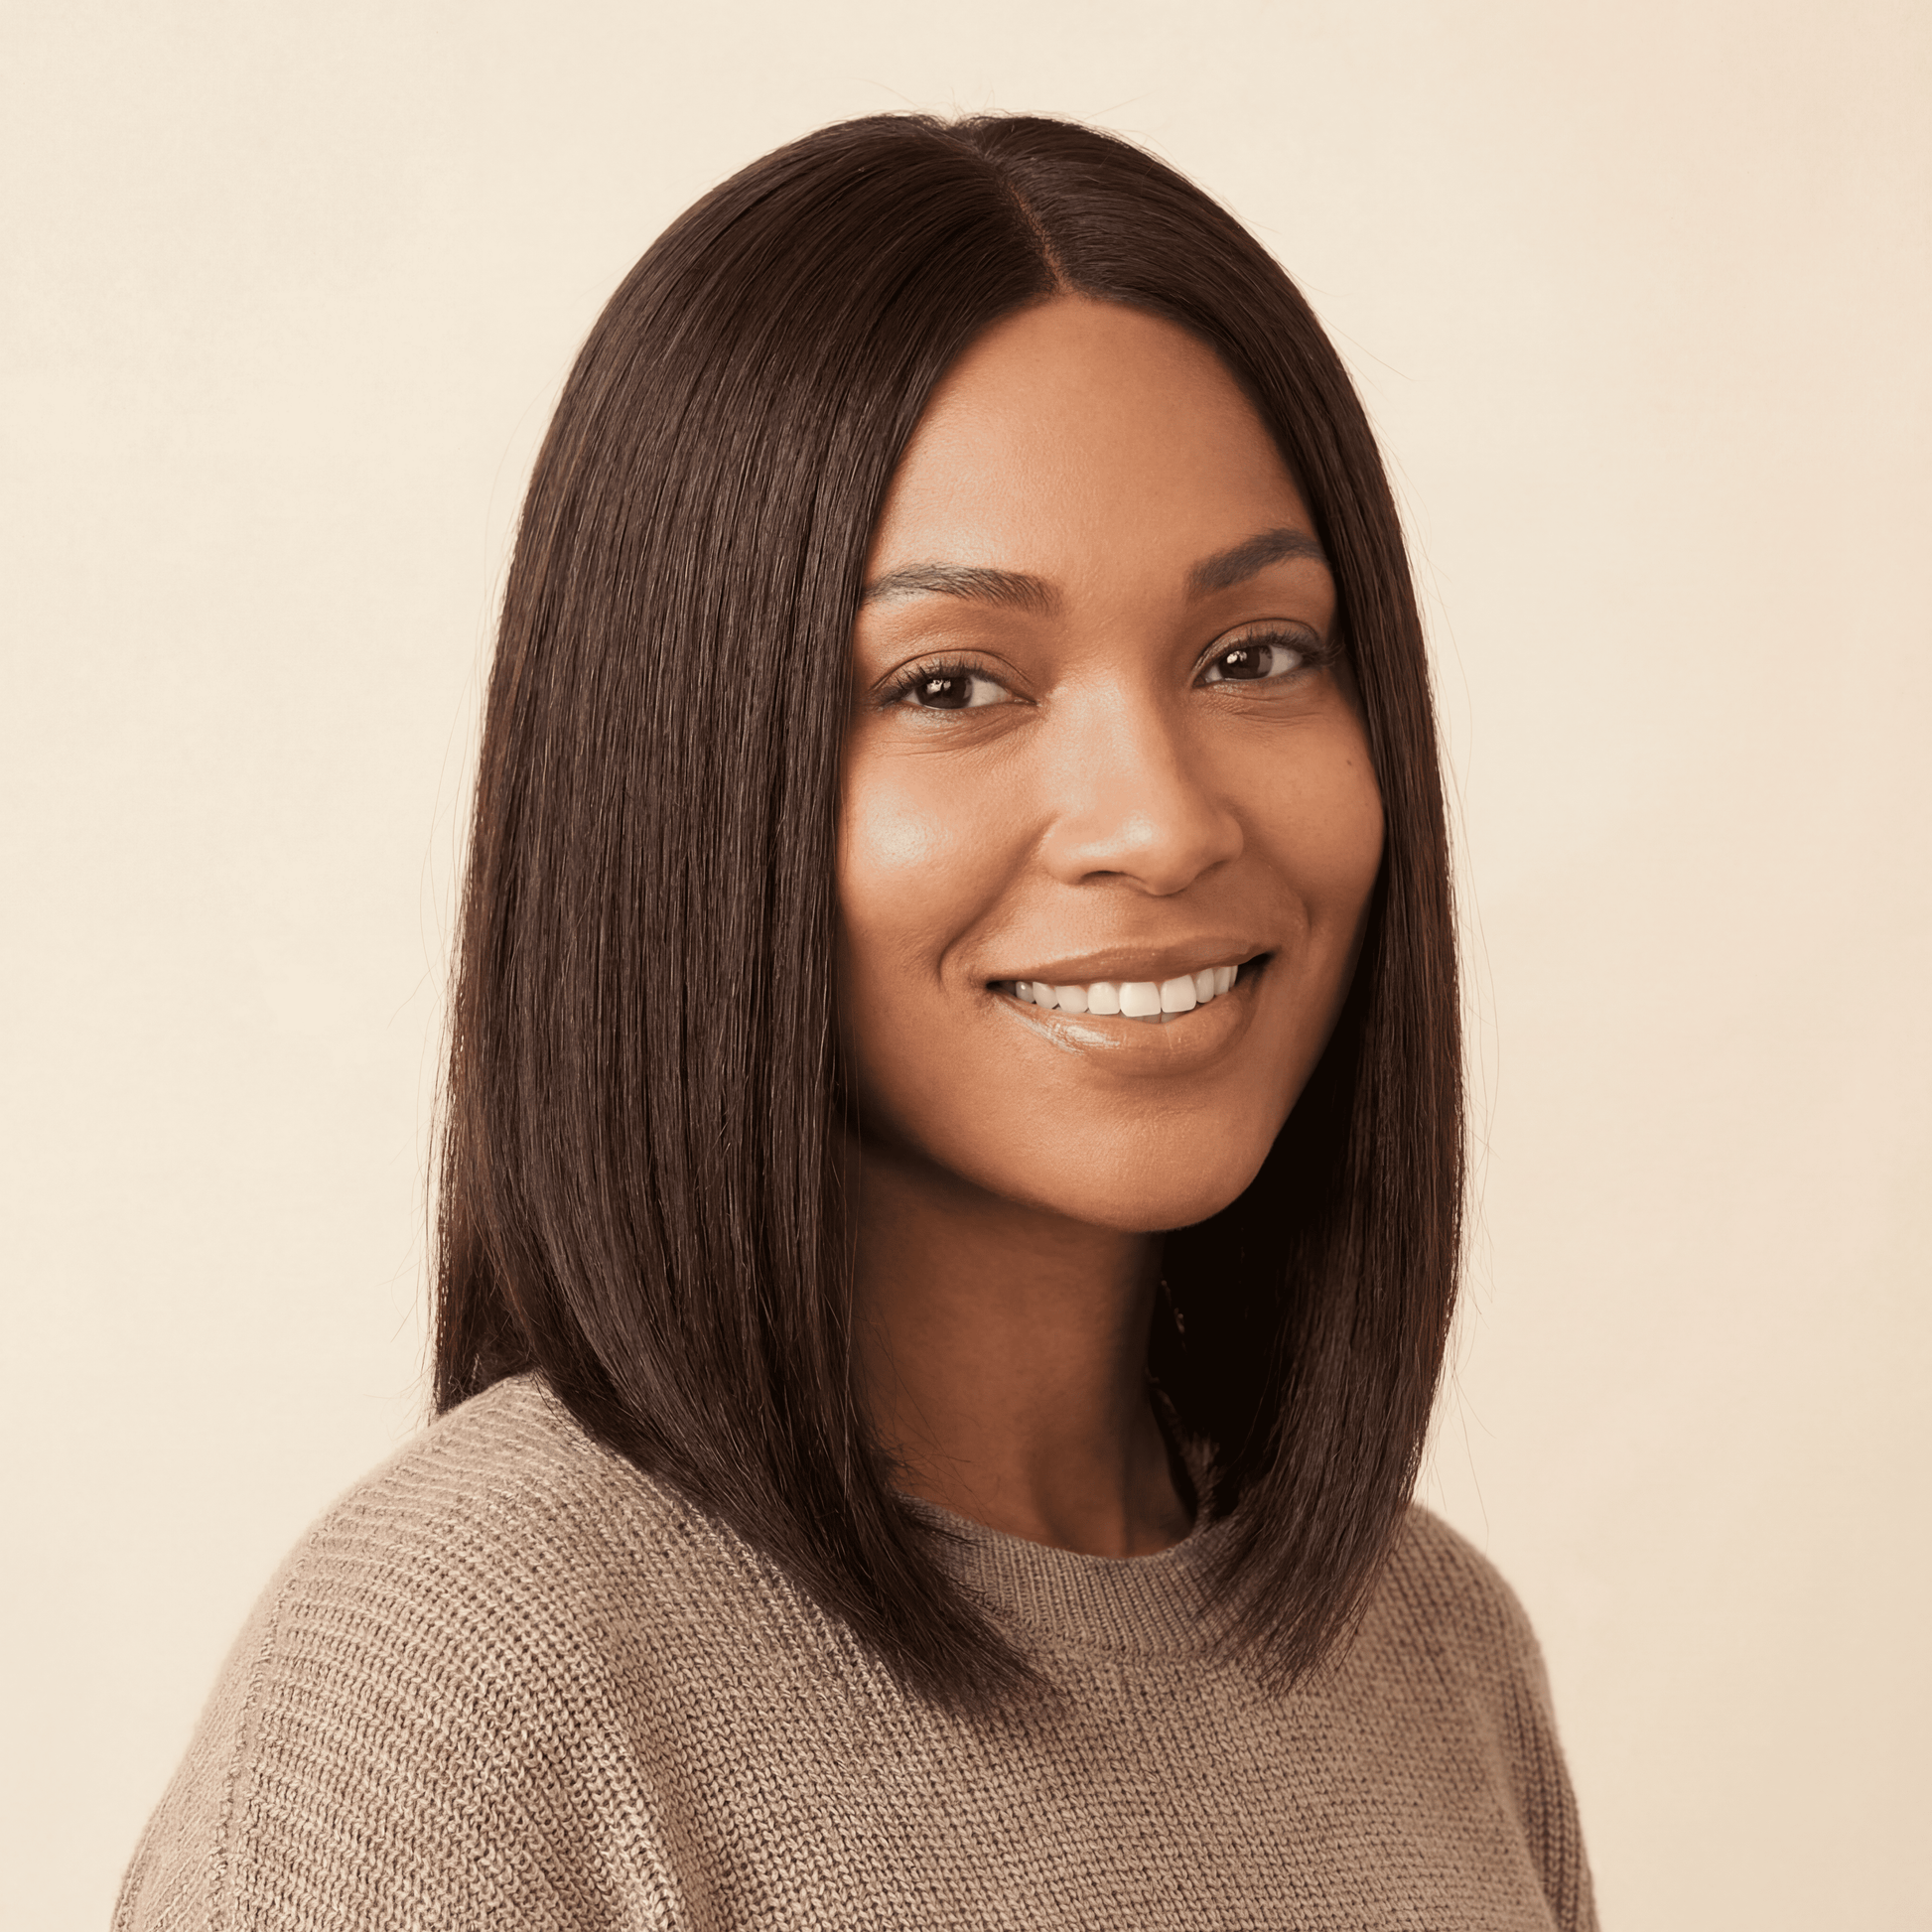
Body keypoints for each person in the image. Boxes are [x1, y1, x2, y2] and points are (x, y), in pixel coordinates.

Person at [117, 112, 1595, 1930]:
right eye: (952, 683)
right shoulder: (458, 1686)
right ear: (684, 779)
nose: (1158, 821)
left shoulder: (1435, 1657)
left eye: (1253, 655)